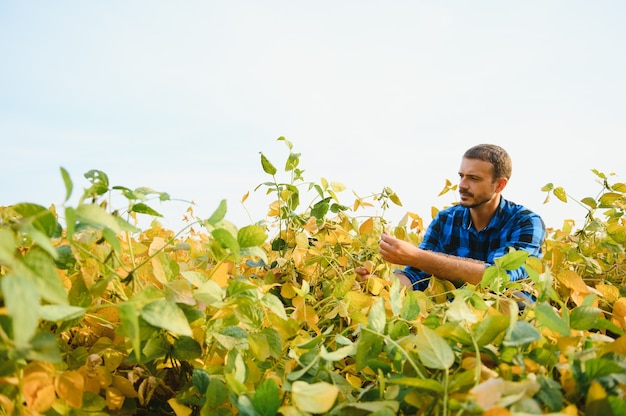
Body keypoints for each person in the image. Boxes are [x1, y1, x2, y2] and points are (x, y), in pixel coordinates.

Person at [359, 144, 546, 291]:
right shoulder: (445, 220)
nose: (462, 185)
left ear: (499, 185)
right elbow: (417, 279)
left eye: (474, 178)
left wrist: (416, 257)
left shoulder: (526, 222)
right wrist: (381, 286)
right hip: (452, 315)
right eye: (461, 176)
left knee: (517, 300)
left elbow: (499, 278)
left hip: (506, 318)